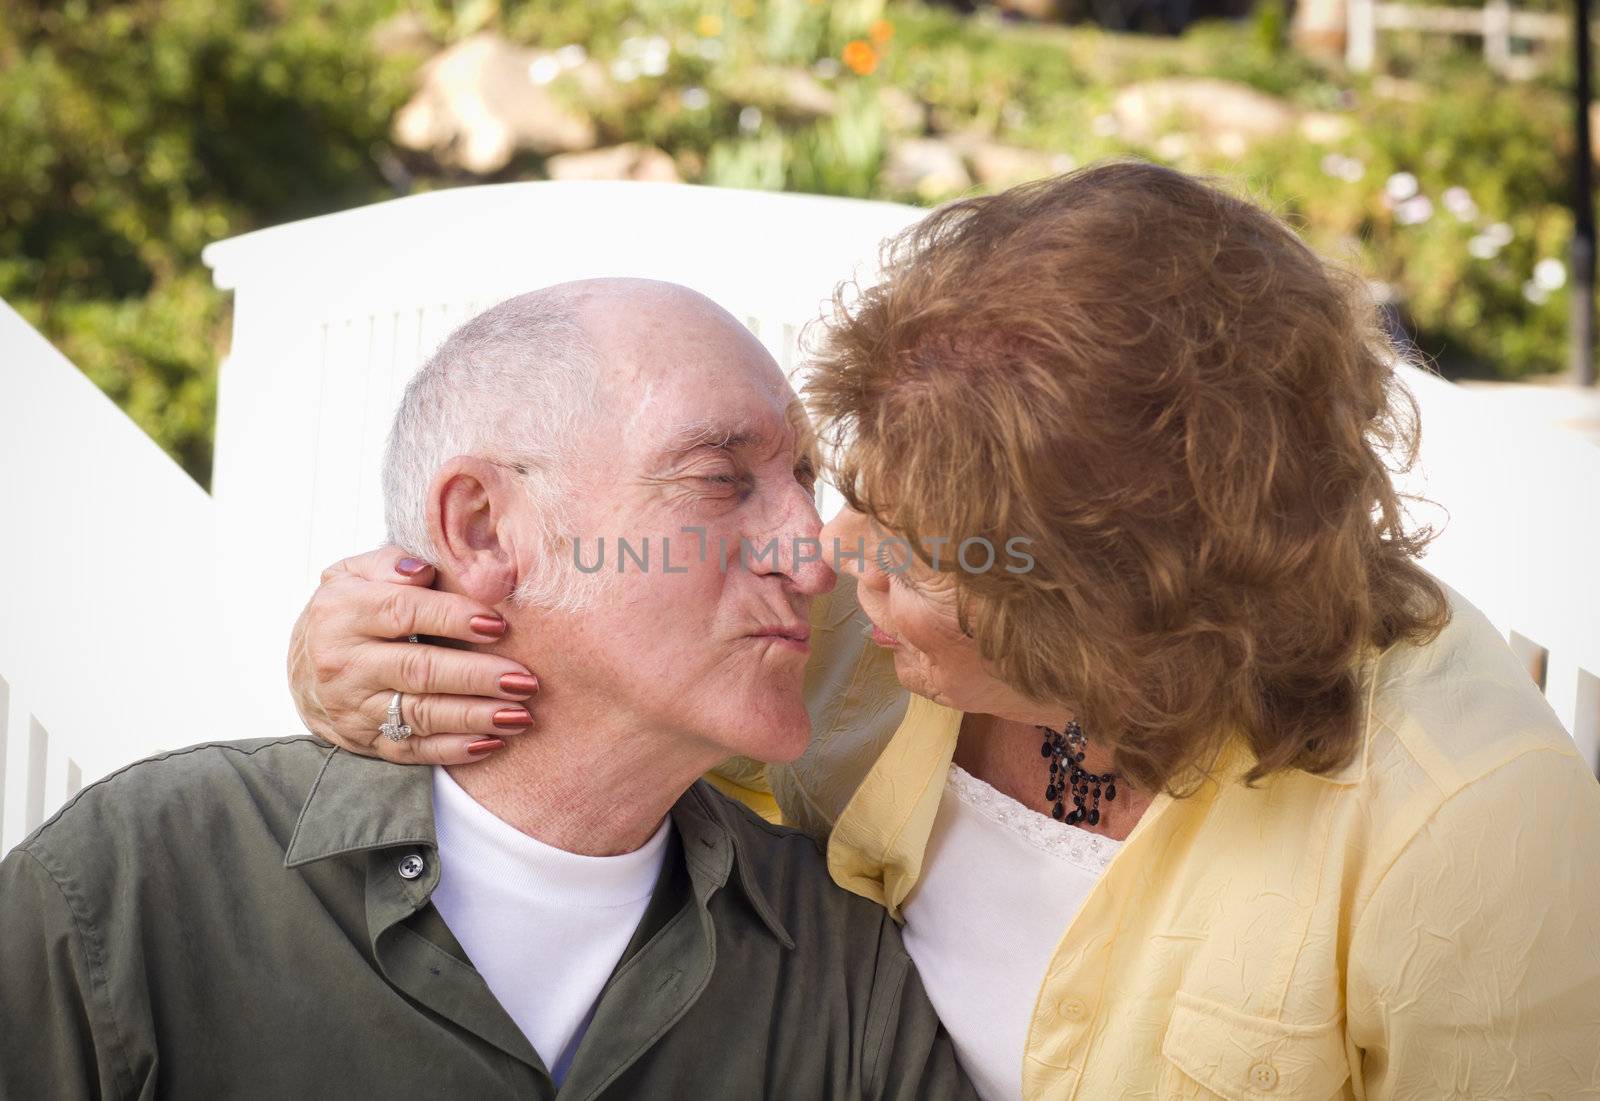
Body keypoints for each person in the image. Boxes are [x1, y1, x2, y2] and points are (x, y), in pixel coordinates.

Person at [290, 163, 1600, 1099]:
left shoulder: (1470, 823)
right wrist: (369, 656)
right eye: (852, 487)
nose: (823, 552)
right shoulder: (861, 634)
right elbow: (594, 679)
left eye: (924, 555)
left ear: (1118, 609)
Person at [0, 280, 975, 1100]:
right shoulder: (130, 888)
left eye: (802, 478)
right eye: (721, 478)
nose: (813, 555)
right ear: (481, 530)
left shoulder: (842, 967)